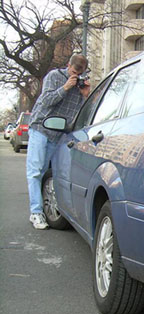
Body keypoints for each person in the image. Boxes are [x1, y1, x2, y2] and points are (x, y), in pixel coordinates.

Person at [26, 54, 91, 230]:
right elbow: (45, 101)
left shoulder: (79, 87)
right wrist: (65, 87)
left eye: (79, 73)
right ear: (68, 65)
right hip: (41, 128)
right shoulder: (54, 76)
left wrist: (85, 96)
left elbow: (81, 115)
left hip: (59, 135)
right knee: (35, 171)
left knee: (52, 174)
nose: (75, 75)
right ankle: (36, 213)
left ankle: (51, 210)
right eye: (73, 71)